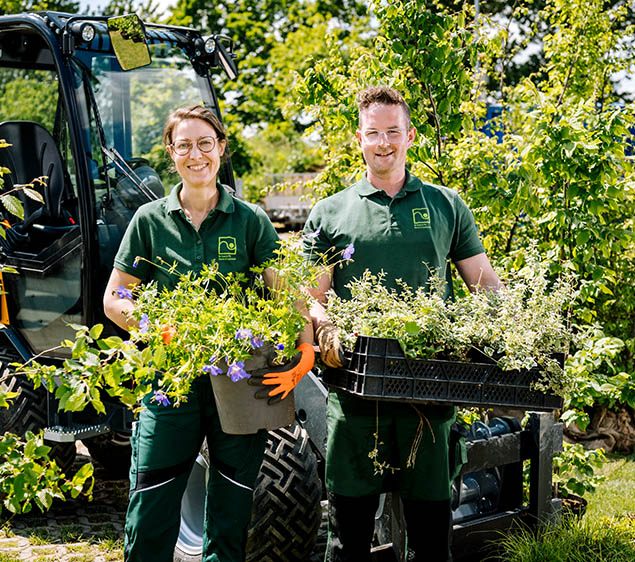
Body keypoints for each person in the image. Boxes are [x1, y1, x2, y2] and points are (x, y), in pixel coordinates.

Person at [103, 104, 313, 562]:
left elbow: (287, 293)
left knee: (233, 504)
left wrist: (306, 352)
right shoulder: (149, 221)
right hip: (171, 382)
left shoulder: (250, 220)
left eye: (205, 144)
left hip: (238, 378)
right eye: (184, 146)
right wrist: (154, 326)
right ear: (171, 152)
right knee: (151, 501)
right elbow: (115, 297)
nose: (195, 155)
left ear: (220, 149)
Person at [303, 86, 501, 562]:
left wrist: (510, 335)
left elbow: (485, 284)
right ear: (359, 138)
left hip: (429, 393)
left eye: (393, 131)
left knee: (432, 536)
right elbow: (312, 298)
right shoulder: (330, 212)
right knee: (348, 536)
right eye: (374, 133)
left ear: (410, 135)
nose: (384, 142)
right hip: (356, 392)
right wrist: (324, 327)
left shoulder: (445, 204)